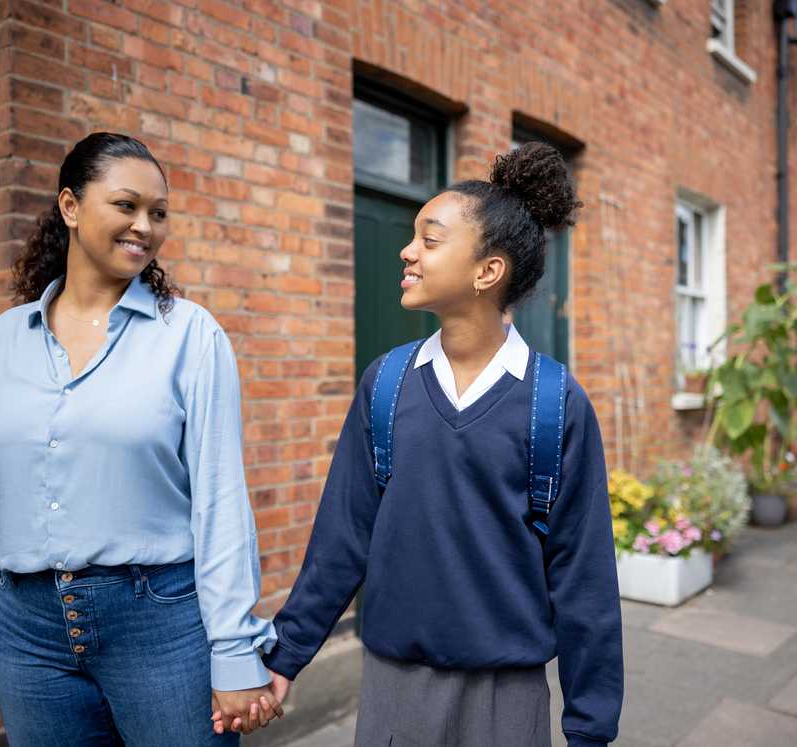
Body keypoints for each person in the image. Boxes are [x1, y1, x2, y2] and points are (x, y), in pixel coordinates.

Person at [219, 142, 623, 745]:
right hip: (391, 691)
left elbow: (584, 579)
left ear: (488, 271)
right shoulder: (385, 384)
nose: (407, 251)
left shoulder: (554, 404)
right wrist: (286, 656)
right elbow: (342, 535)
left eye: (430, 240)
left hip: (505, 700)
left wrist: (590, 729)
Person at [0, 132, 281, 746]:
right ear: (70, 207)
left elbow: (221, 507)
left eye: (159, 212)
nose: (145, 225)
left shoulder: (190, 336)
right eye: (126, 205)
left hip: (161, 628)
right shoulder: (3, 341)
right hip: (28, 638)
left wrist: (235, 654)